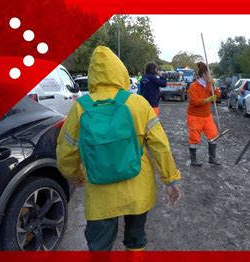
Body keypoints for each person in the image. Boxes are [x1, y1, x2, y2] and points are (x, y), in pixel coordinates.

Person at [57, 46, 182, 251]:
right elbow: (161, 146)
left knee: (99, 247)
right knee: (136, 239)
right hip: (137, 188)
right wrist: (171, 179)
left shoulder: (80, 107)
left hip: (100, 192)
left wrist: (76, 174)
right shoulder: (138, 103)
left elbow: (65, 151)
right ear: (120, 72)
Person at [187, 62, 221, 167]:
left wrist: (214, 86)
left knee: (214, 136)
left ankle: (212, 158)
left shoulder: (209, 85)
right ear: (203, 74)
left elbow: (218, 95)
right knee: (194, 138)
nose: (212, 76)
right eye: (210, 74)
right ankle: (194, 160)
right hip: (195, 116)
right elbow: (194, 102)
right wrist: (208, 99)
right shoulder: (193, 86)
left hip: (207, 116)